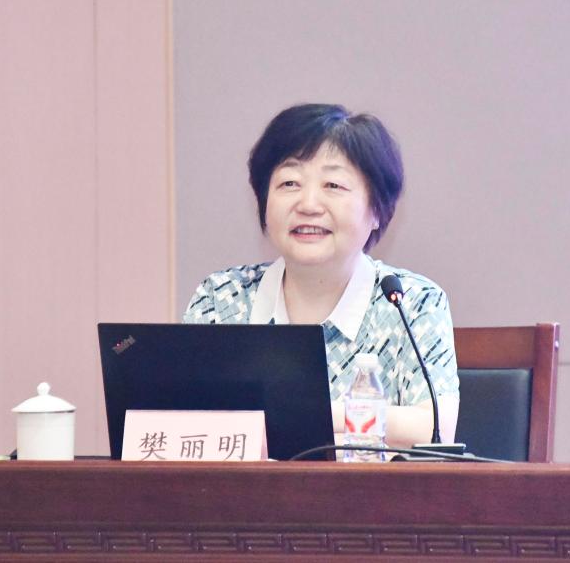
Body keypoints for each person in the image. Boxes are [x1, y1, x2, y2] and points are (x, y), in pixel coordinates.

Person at [183, 103, 459, 448]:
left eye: (333, 185)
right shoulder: (221, 299)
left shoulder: (411, 301)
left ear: (377, 209)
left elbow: (434, 429)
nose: (308, 204)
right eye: (289, 183)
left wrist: (302, 414)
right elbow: (182, 421)